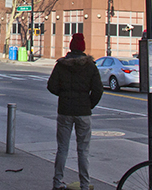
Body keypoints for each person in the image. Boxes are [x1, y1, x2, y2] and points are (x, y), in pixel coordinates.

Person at [47, 33, 102, 190]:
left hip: (65, 110)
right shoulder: (90, 67)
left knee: (62, 148)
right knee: (83, 150)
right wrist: (88, 104)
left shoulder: (61, 65)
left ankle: (57, 182)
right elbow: (98, 89)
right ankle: (84, 184)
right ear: (83, 48)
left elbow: (51, 86)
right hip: (83, 111)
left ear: (70, 47)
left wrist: (63, 95)